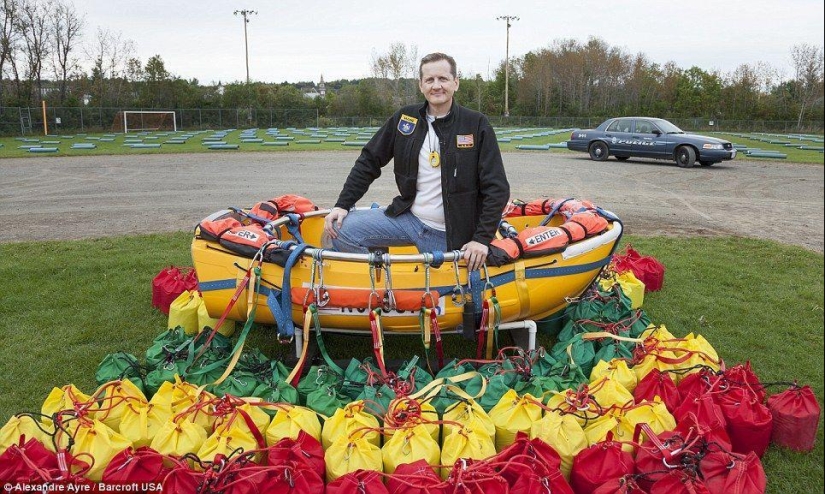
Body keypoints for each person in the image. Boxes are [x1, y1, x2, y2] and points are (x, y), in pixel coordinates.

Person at [323, 52, 510, 271]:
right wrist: (342, 204)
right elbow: (369, 160)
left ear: (455, 83)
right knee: (341, 229)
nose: (436, 86)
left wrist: (481, 239)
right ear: (421, 85)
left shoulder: (476, 124)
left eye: (443, 79)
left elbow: (497, 188)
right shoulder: (405, 119)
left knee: (450, 293)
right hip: (409, 219)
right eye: (429, 80)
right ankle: (382, 285)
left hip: (450, 233)